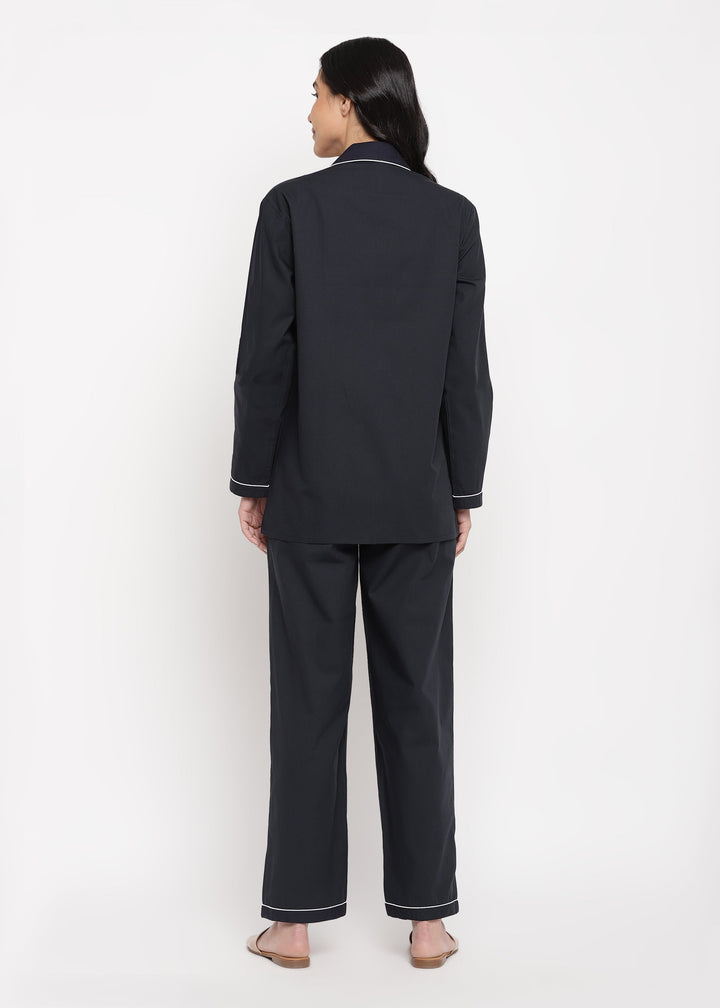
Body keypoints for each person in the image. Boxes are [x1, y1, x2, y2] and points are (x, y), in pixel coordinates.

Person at [230, 36, 493, 969]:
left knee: (307, 704)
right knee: (418, 704)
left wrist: (252, 481)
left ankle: (294, 924)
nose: (307, 111)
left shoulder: (291, 209)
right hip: (416, 497)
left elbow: (266, 357)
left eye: (315, 93)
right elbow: (466, 371)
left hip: (309, 493)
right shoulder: (451, 217)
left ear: (350, 102)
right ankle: (428, 924)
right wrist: (462, 488)